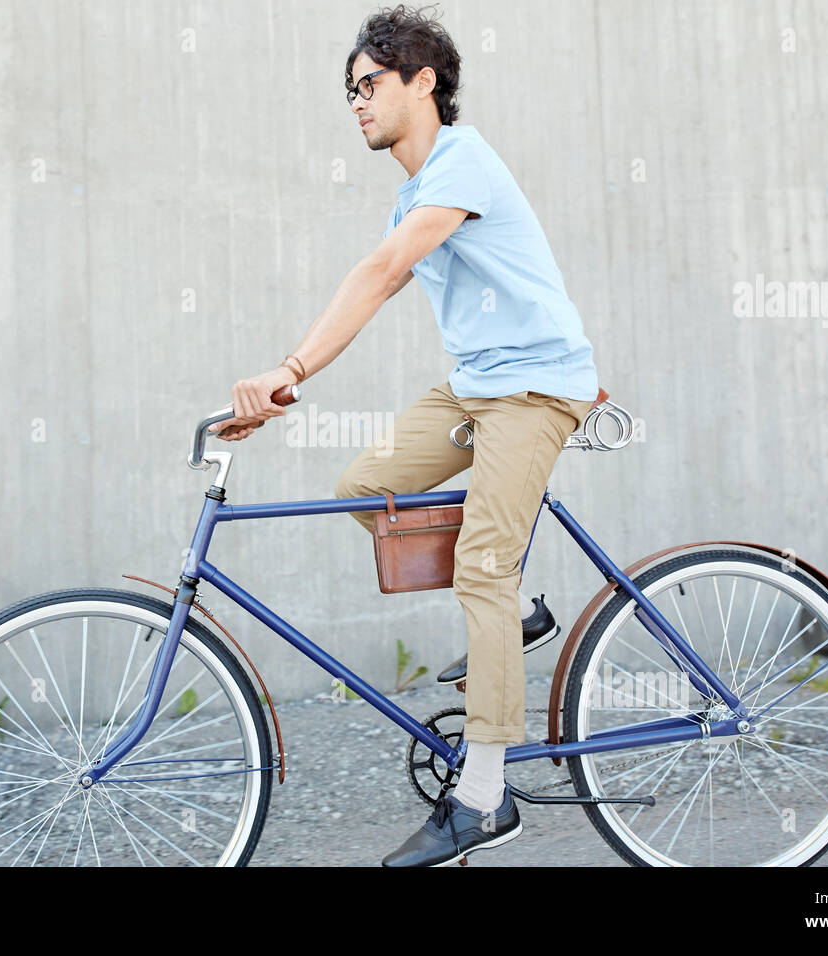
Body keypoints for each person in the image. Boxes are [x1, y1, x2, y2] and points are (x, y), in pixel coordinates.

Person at [208, 3, 599, 866]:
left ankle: (485, 799)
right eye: (349, 90)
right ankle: (520, 610)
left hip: (536, 390)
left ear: (424, 82)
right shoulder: (413, 194)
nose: (356, 102)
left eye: (370, 83)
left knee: (482, 568)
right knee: (363, 488)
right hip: (475, 391)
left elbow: (383, 274)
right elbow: (372, 280)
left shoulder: (467, 160)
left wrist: (290, 368)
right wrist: (289, 375)